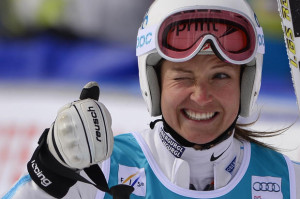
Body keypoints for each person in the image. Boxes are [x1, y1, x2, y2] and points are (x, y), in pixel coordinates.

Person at [2, 0, 300, 198]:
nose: (201, 96)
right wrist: (50, 173)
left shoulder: (288, 181)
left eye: (220, 76)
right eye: (183, 76)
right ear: (153, 83)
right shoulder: (102, 171)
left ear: (246, 85)